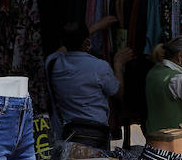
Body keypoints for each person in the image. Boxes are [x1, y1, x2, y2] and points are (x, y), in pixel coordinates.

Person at [46, 19, 133, 151]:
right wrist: (118, 65)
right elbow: (118, 93)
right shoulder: (99, 67)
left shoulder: (52, 63)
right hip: (96, 138)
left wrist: (92, 30)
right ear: (87, 42)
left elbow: (62, 49)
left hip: (64, 136)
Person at [145, 36, 182, 135]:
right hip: (174, 141)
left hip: (153, 136)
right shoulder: (177, 79)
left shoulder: (153, 72)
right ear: (181, 56)